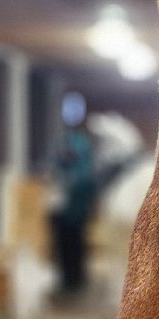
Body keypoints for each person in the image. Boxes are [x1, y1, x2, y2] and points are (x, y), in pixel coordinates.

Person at [49, 92, 101, 298]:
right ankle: (68, 281)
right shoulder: (64, 140)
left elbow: (85, 175)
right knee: (64, 244)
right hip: (65, 204)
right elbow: (57, 165)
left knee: (75, 244)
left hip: (76, 204)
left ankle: (75, 282)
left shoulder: (82, 143)